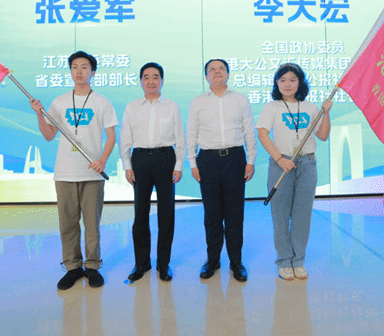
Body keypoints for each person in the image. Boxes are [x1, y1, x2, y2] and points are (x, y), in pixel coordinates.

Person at [29, 50, 118, 290]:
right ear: (70, 71)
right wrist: (39, 114)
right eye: (75, 67)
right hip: (65, 173)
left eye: (84, 67)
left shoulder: (102, 102)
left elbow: (111, 136)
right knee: (67, 224)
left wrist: (102, 160)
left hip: (92, 174)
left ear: (93, 72)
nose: (79, 71)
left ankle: (92, 267)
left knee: (92, 224)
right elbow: (49, 135)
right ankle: (72, 267)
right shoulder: (59, 102)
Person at [256, 63, 332, 281]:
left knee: (302, 216)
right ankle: (284, 261)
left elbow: (322, 136)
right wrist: (280, 159)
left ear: (300, 82)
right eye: (282, 80)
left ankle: (298, 260)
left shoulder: (309, 107)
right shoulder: (272, 107)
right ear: (276, 83)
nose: (287, 84)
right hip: (281, 164)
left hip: (307, 164)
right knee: (280, 216)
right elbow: (262, 134)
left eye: (292, 79)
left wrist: (326, 113)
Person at [187, 59, 257, 282]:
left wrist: (251, 160)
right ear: (206, 76)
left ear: (227, 73)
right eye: (212, 70)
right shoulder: (198, 102)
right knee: (212, 214)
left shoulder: (240, 99)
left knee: (235, 214)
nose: (217, 73)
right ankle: (213, 260)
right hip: (207, 160)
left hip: (235, 159)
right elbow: (191, 133)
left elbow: (249, 131)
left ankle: (236, 262)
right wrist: (193, 163)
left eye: (221, 69)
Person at [119, 62, 185, 283]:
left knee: (167, 214)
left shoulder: (172, 106)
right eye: (146, 77)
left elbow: (180, 138)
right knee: (140, 214)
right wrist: (127, 165)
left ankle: (163, 264)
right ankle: (141, 263)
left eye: (155, 76)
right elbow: (125, 138)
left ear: (162, 81)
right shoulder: (132, 107)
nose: (151, 81)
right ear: (141, 81)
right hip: (140, 159)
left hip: (166, 158)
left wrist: (178, 165)